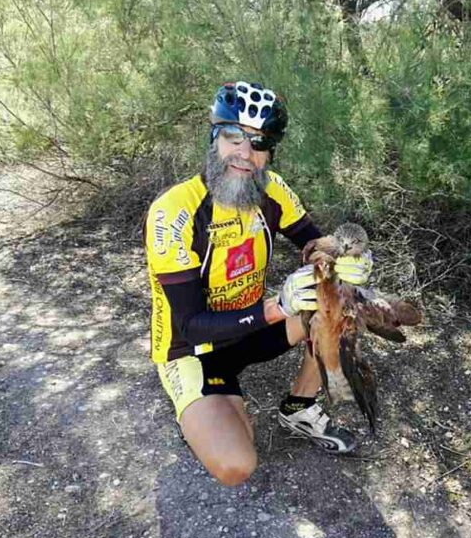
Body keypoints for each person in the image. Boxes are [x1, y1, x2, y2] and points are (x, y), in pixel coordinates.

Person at [143, 81, 373, 487]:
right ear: (213, 138)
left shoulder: (271, 189)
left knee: (339, 301)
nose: (245, 154)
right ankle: (203, 409)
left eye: (259, 143)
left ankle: (299, 407)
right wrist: (278, 307)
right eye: (233, 137)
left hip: (248, 331)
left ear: (270, 152)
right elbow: (190, 326)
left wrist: (347, 256)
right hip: (192, 349)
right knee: (237, 464)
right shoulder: (174, 211)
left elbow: (314, 244)